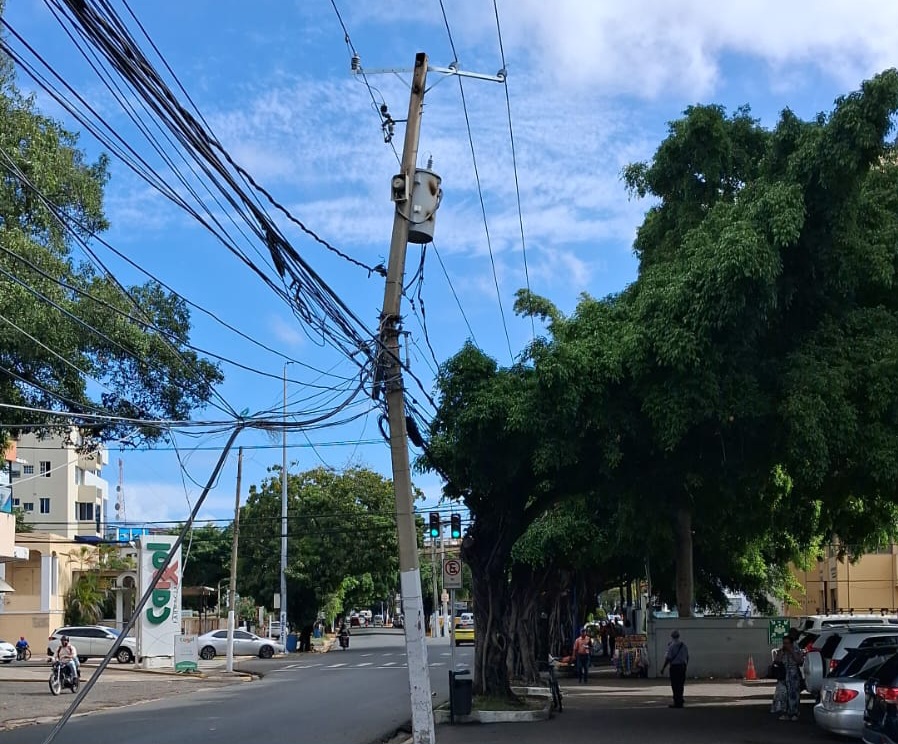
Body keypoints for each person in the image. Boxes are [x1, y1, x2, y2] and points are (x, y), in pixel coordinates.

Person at [773, 634, 804, 721]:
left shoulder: (796, 650)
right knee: (784, 695)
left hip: (793, 675)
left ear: (791, 643)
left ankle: (794, 712)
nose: (785, 645)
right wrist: (781, 654)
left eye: (787, 643)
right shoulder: (781, 651)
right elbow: (776, 661)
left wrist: (792, 652)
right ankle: (785, 712)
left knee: (794, 694)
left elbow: (799, 661)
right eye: (784, 643)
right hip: (784, 674)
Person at [660, 629, 689, 708]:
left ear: (672, 636)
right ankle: (680, 699)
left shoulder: (671, 646)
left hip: (674, 667)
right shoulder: (684, 645)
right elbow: (687, 657)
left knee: (675, 685)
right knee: (681, 684)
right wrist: (685, 666)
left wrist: (663, 668)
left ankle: (677, 701)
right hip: (682, 666)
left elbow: (668, 658)